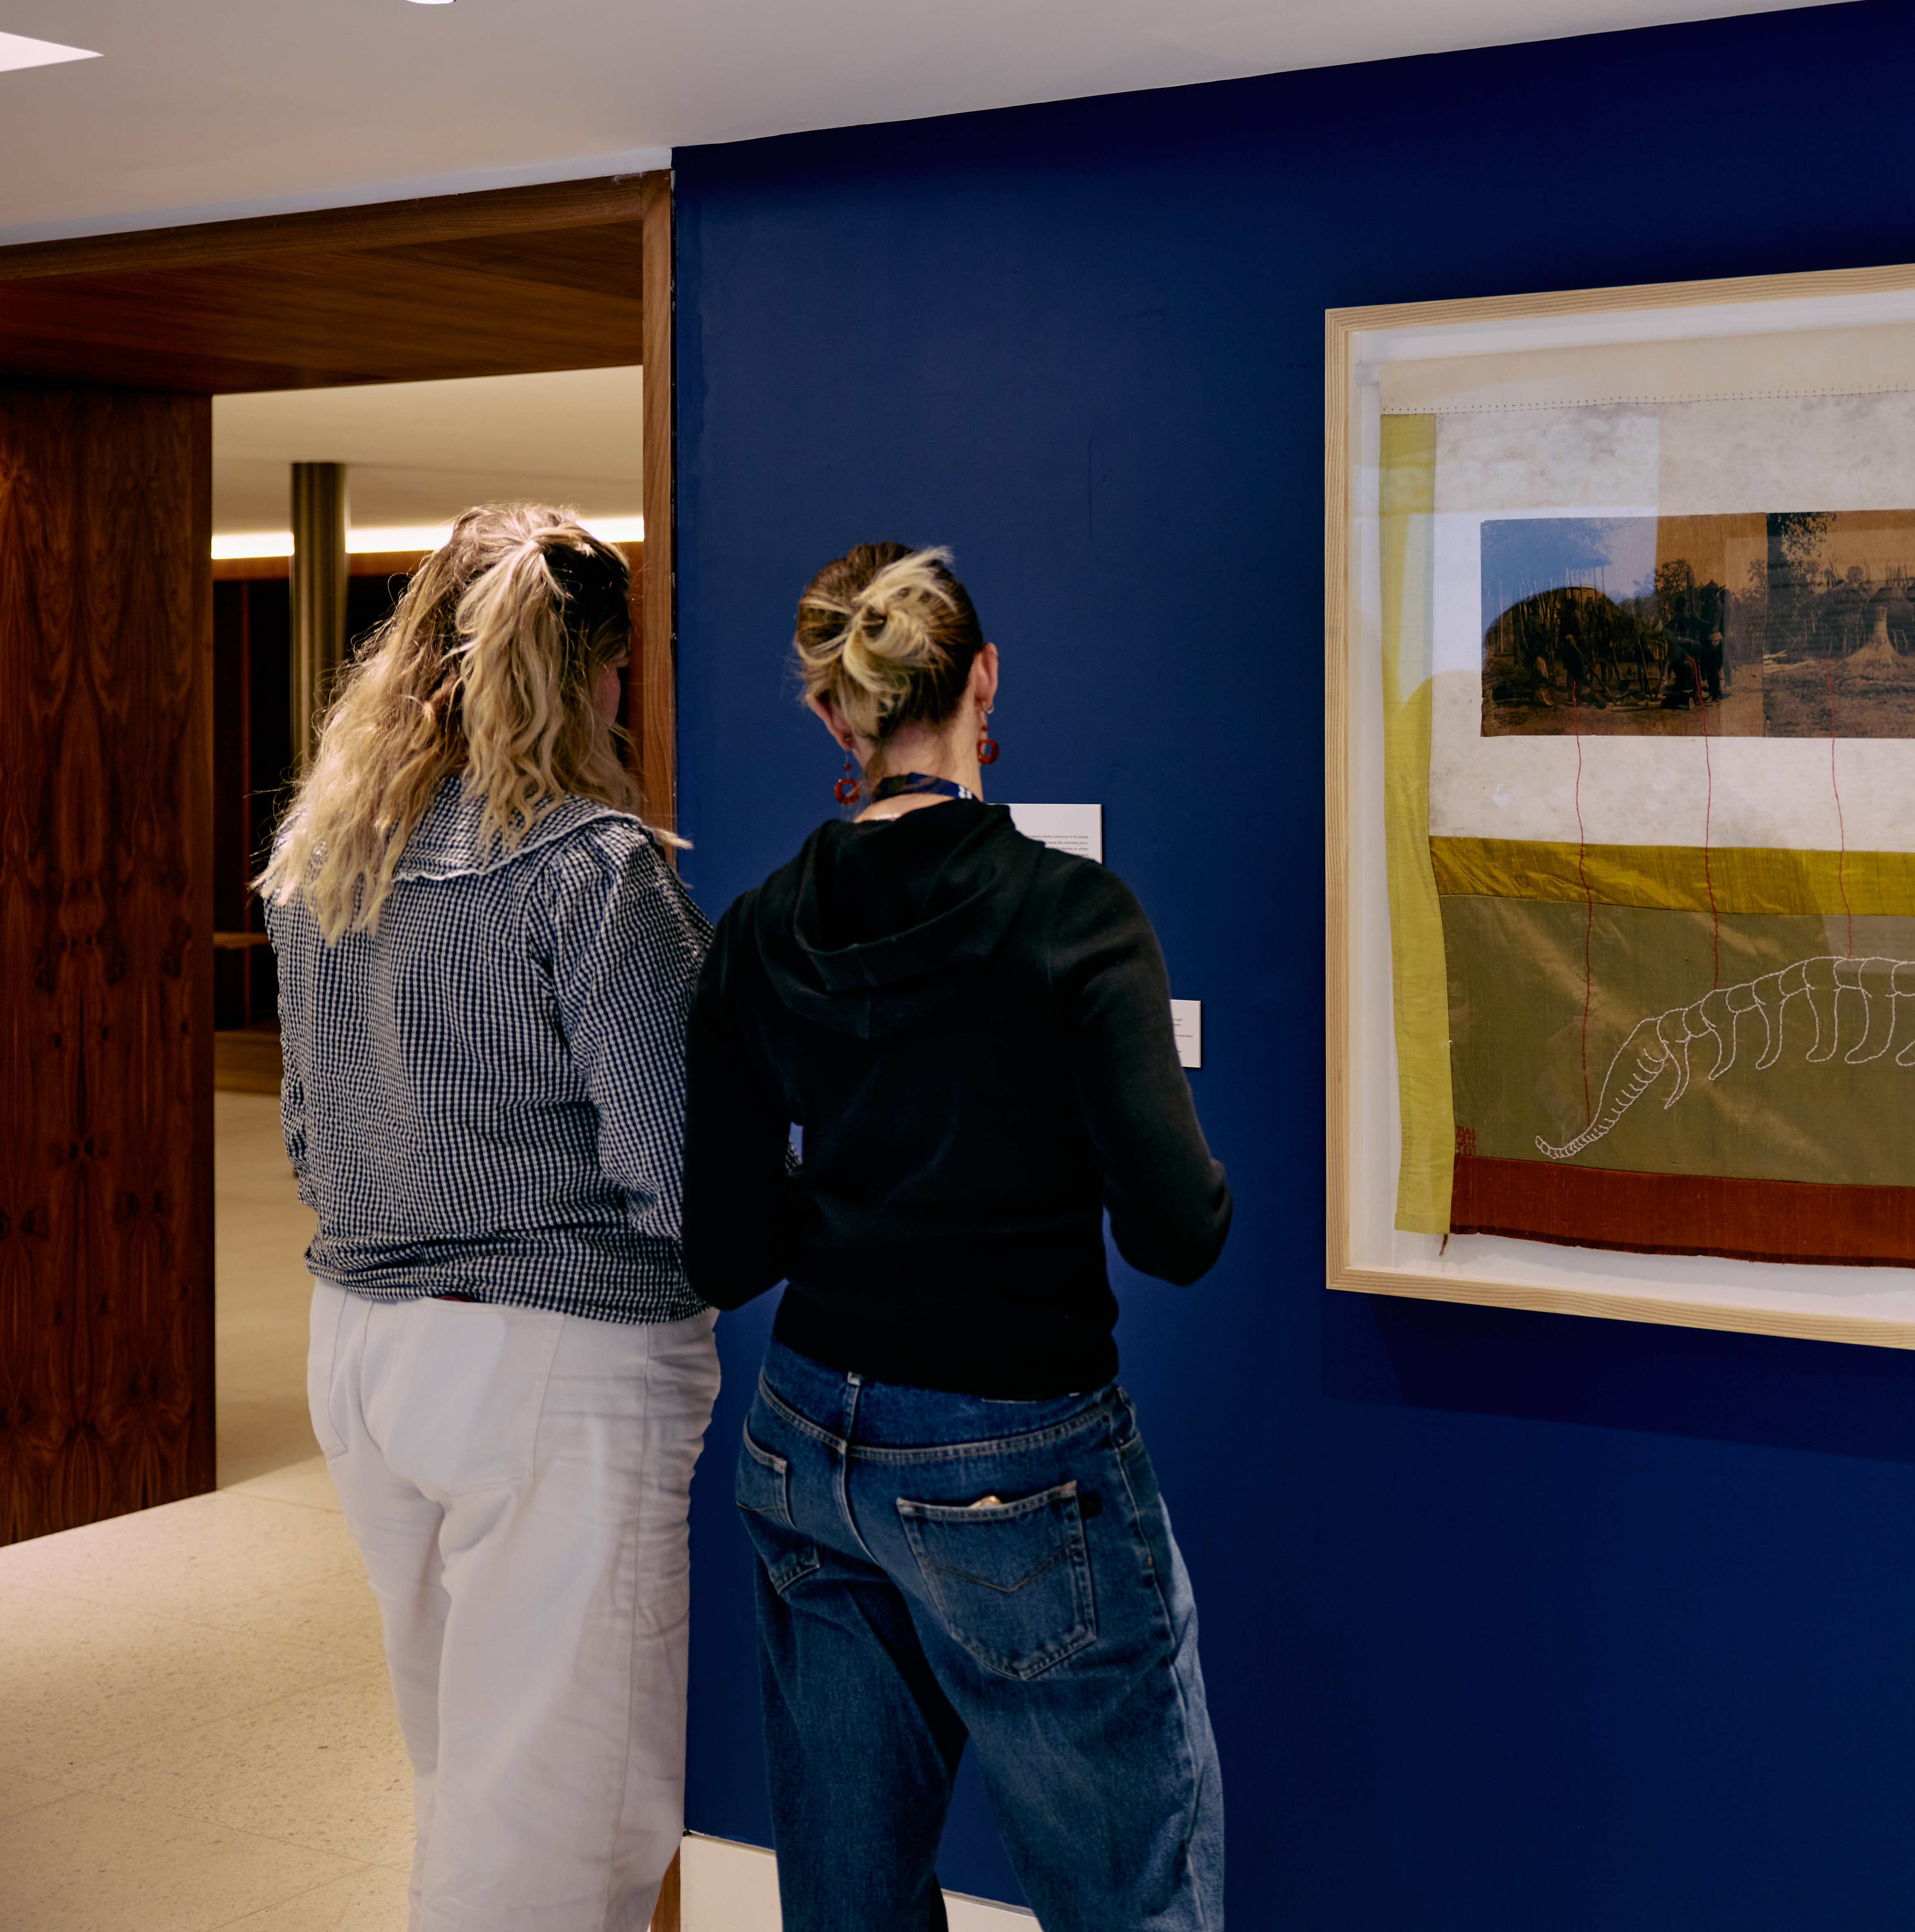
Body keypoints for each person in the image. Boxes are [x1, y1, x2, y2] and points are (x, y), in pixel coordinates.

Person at [684, 543, 1233, 1932]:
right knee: (1131, 1895)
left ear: (834, 715)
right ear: (984, 680)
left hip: (807, 1445)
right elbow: (1179, 1235)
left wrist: (858, 1203)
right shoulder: (1076, 922)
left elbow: (723, 1254)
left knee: (849, 1902)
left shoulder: (755, 936)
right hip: (1022, 1465)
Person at [262, 505, 715, 1932]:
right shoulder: (594, 868)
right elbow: (682, 1175)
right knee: (562, 1819)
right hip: (554, 1365)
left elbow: (296, 1131)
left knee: (467, 1768)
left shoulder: (323, 863)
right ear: (604, 672)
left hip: (363, 1353)